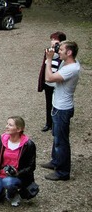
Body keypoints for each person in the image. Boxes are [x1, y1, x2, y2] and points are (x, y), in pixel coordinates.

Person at [42, 40, 80, 181]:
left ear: (69, 52)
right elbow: (59, 59)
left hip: (63, 109)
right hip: (58, 106)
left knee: (61, 141)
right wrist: (55, 48)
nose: (59, 51)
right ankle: (55, 161)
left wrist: (49, 59)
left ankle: (63, 172)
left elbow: (49, 77)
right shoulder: (68, 63)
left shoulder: (72, 69)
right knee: (56, 138)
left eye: (61, 49)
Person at [0, 116, 37, 208]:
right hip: (0, 175)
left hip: (17, 177)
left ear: (19, 129)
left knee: (8, 182)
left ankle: (13, 194)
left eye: (10, 125)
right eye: (7, 124)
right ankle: (0, 192)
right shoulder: (0, 140)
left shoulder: (29, 144)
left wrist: (17, 173)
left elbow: (31, 166)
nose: (6, 126)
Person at [37, 32, 66, 132]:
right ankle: (48, 123)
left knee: (57, 103)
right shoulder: (48, 52)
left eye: (55, 40)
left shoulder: (63, 55)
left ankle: (56, 122)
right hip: (48, 83)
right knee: (48, 103)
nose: (53, 42)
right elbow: (43, 67)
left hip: (57, 83)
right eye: (52, 40)